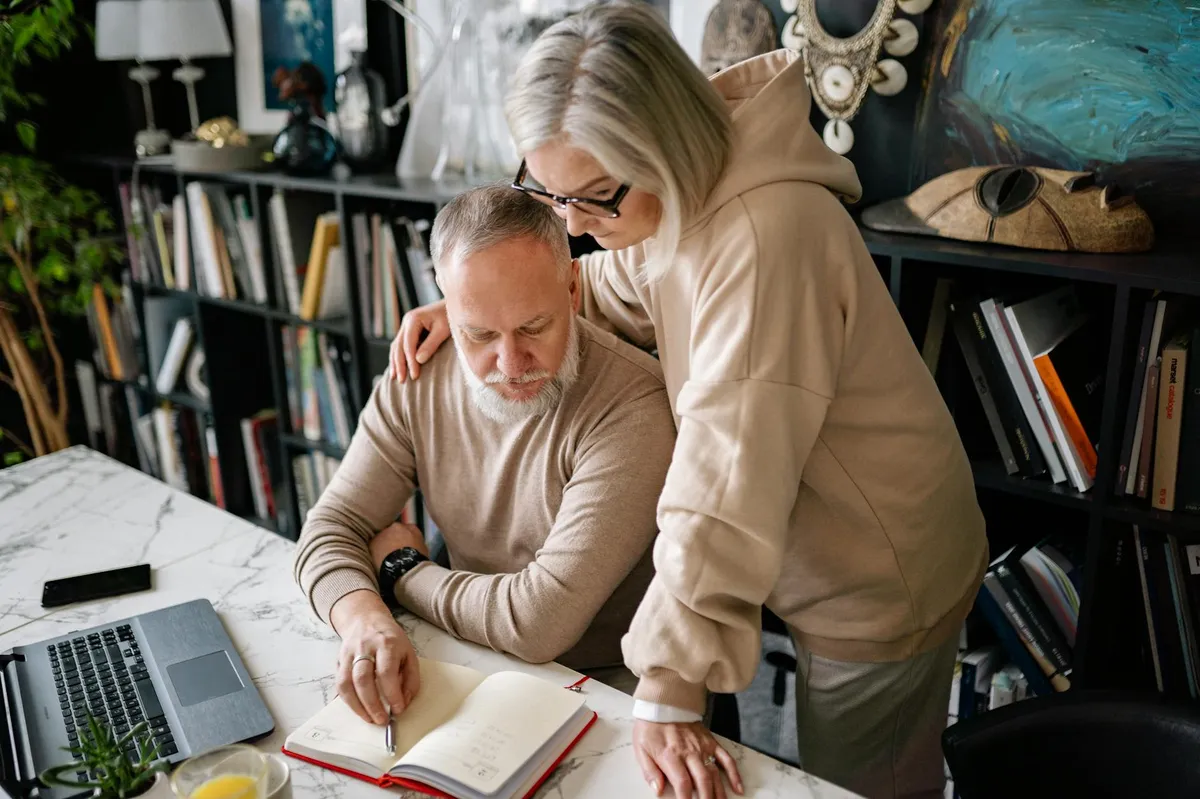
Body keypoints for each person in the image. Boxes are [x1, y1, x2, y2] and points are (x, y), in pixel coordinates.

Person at [387, 4, 990, 799]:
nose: (570, 224)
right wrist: (490, 316)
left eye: (593, 198)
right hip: (817, 543)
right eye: (548, 193)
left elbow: (722, 483)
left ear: (660, 148)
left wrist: (669, 684)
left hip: (879, 571)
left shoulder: (762, 242)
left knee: (859, 786)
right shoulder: (675, 196)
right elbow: (612, 283)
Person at [293, 184, 676, 728]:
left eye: (533, 327)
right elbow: (330, 528)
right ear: (447, 308)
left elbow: (538, 623)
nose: (511, 362)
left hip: (608, 692)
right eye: (479, 333)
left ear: (572, 290)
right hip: (469, 659)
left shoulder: (633, 407)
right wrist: (362, 618)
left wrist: (401, 571)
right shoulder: (418, 370)